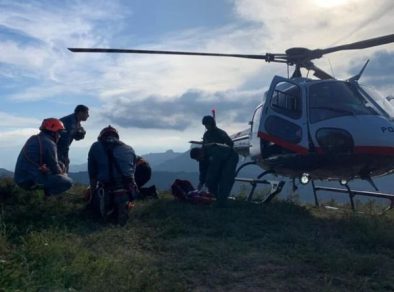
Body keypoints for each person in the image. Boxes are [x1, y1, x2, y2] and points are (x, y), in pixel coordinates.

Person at [87, 125, 138, 225]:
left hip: (107, 187)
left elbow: (92, 174)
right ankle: (125, 205)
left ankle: (108, 209)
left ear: (101, 137)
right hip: (129, 189)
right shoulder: (129, 148)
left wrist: (92, 195)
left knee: (93, 208)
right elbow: (132, 172)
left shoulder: (95, 146)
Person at [14, 118, 73, 196]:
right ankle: (48, 196)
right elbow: (55, 168)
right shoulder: (49, 143)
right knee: (68, 182)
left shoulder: (34, 138)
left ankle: (42, 191)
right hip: (29, 180)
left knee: (60, 164)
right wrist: (63, 174)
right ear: (53, 133)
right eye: (59, 132)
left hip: (20, 177)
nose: (59, 136)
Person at [58, 104, 89, 172]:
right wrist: (64, 157)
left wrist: (81, 133)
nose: (88, 115)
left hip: (60, 149)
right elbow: (64, 140)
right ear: (80, 113)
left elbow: (76, 137)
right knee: (62, 168)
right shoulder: (69, 121)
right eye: (86, 113)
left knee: (64, 166)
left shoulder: (76, 121)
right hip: (59, 150)